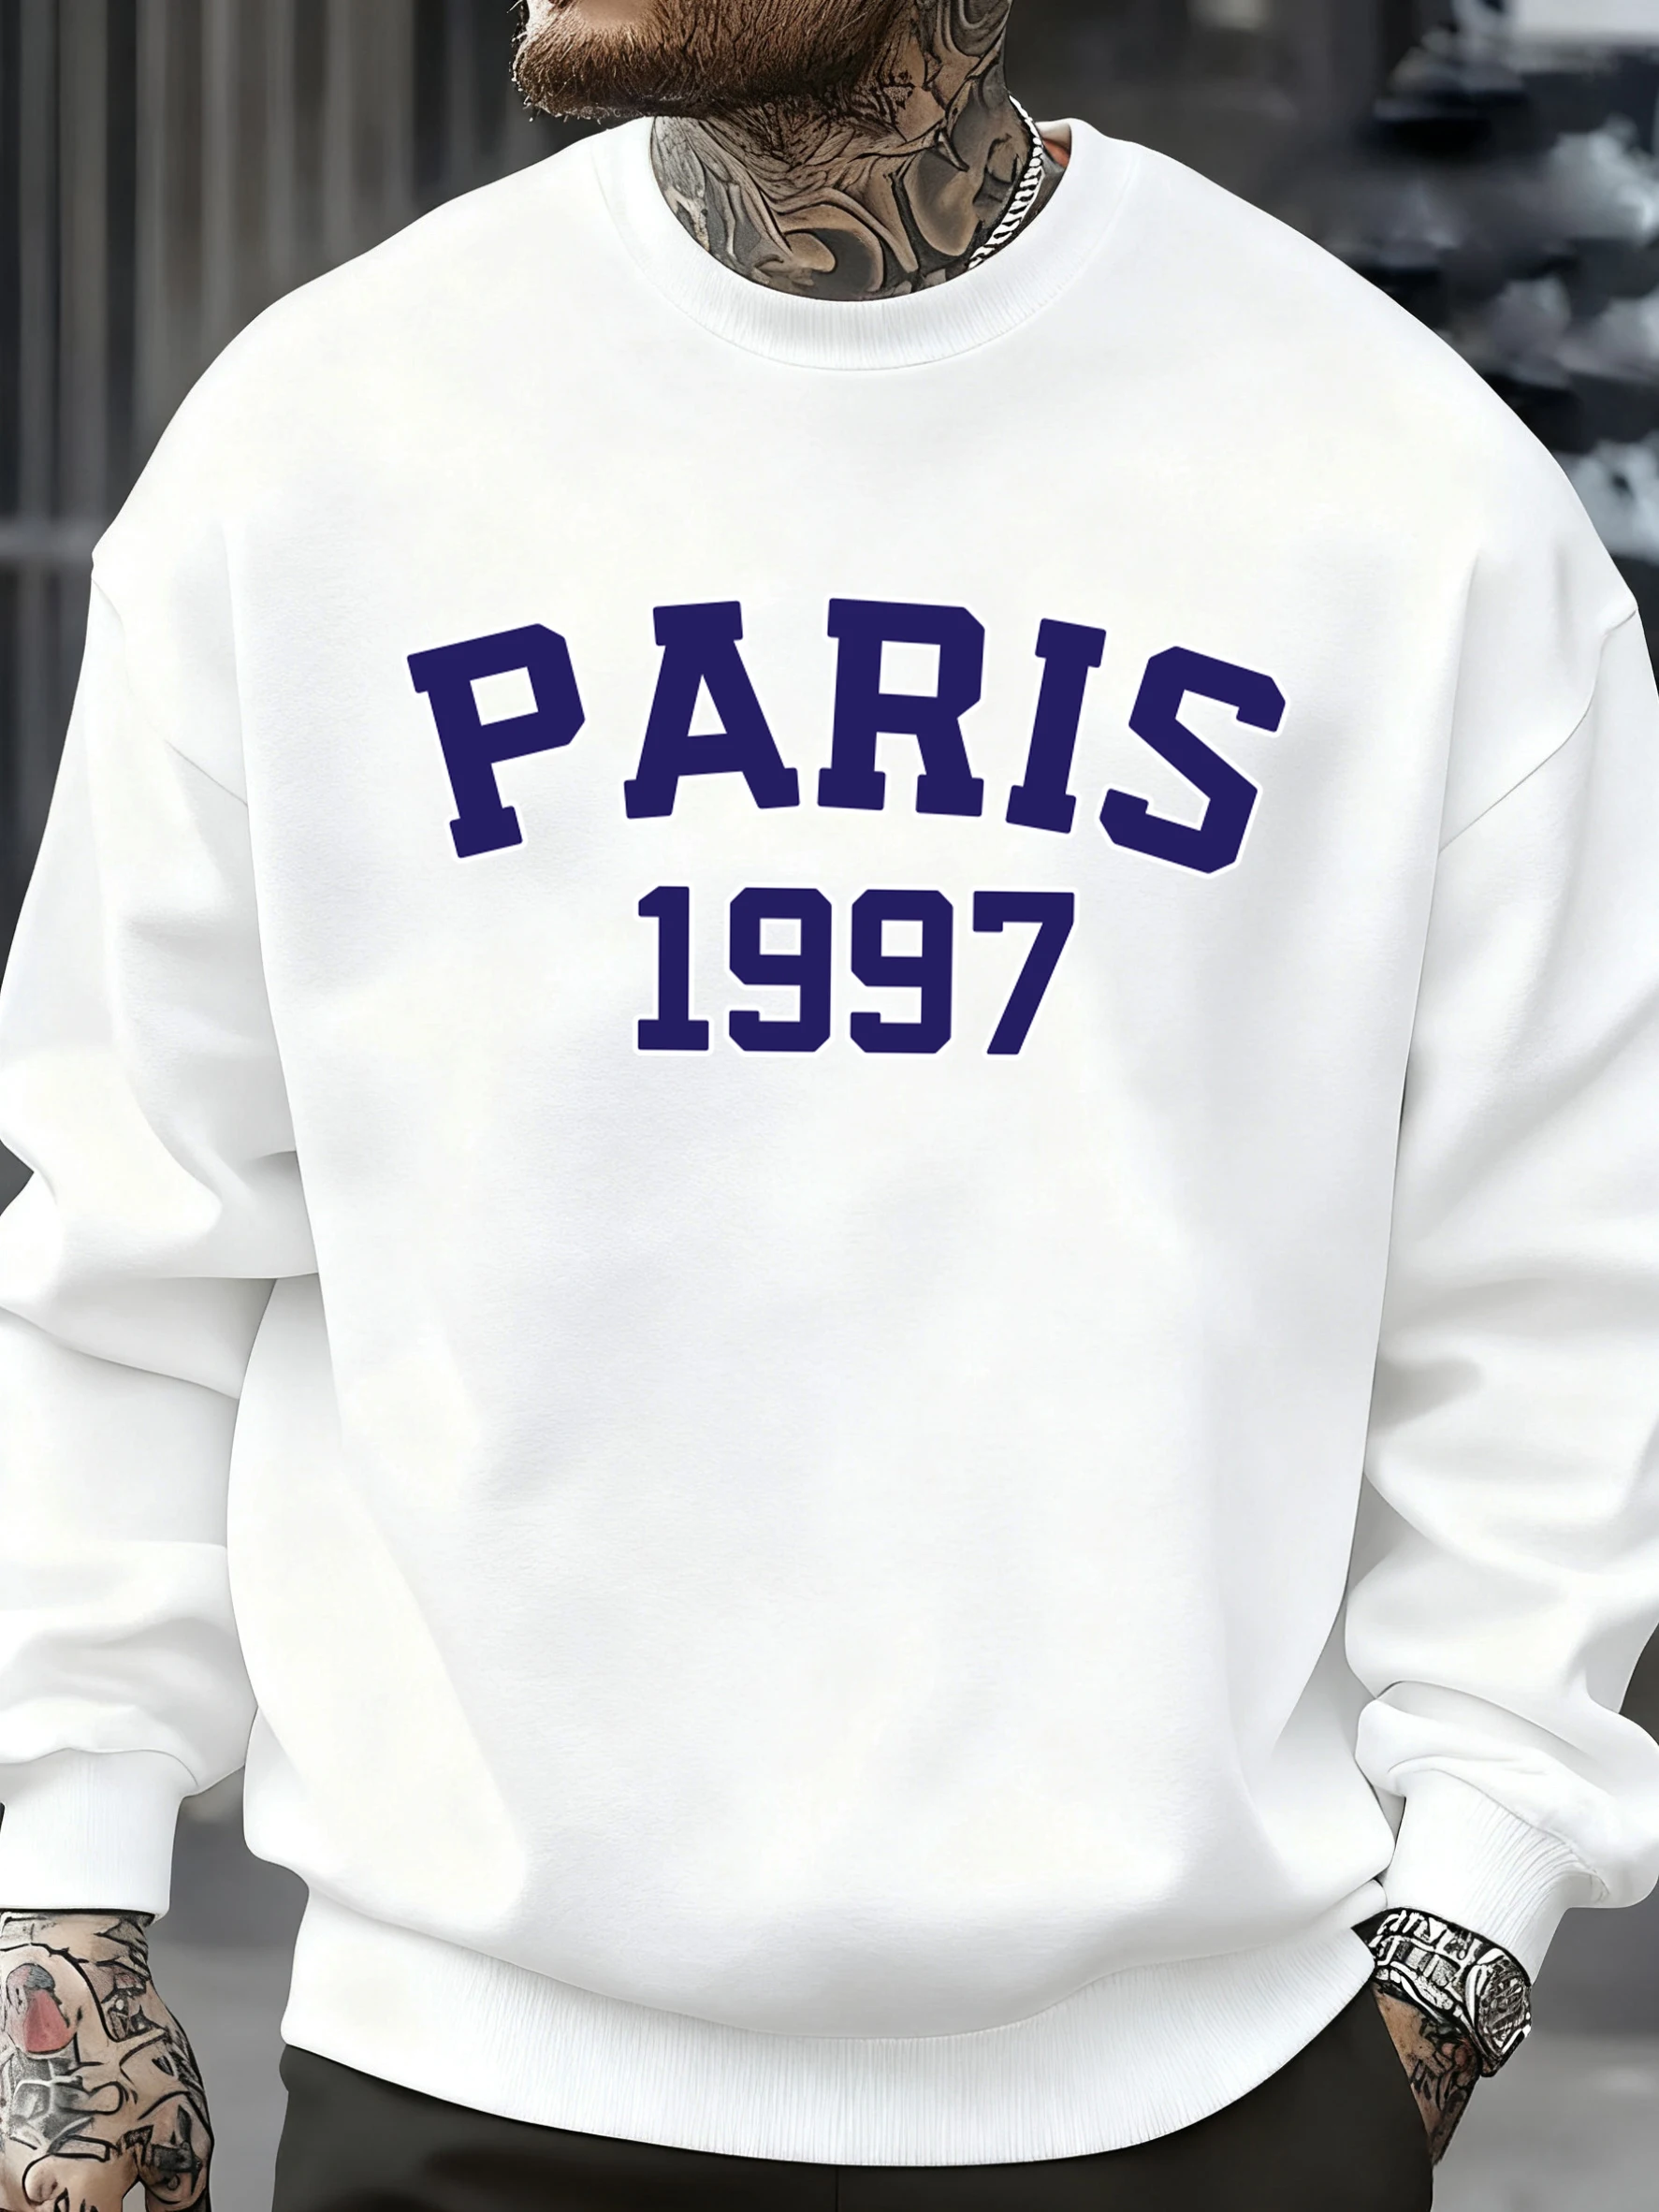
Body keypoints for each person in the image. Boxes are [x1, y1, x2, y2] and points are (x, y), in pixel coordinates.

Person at [1, 1, 1658, 2205]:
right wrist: (73, 1911)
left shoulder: (1389, 480)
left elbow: (1553, 1286)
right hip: (466, 2088)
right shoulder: (319, 448)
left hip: (1215, 2105)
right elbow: (134, 1238)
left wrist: (1459, 1937)